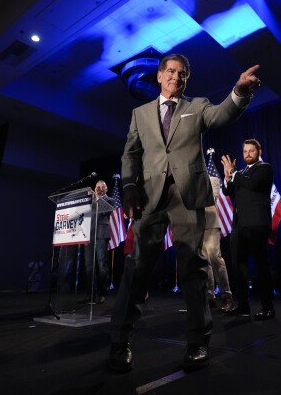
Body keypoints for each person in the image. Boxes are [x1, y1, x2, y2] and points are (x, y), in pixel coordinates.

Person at [108, 53, 261, 372]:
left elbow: (222, 115)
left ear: (186, 80)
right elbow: (130, 154)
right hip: (149, 198)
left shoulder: (198, 106)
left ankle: (197, 343)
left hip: (189, 197)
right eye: (172, 72)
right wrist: (129, 186)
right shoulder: (140, 114)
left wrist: (239, 91)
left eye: (183, 74)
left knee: (194, 267)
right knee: (136, 268)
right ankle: (120, 342)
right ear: (160, 76)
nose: (177, 77)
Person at [220, 139, 275, 320]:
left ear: (259, 151)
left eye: (251, 151)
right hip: (239, 226)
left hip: (257, 225)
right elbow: (228, 191)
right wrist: (228, 177)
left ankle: (268, 308)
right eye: (245, 151)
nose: (247, 154)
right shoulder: (241, 173)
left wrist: (233, 173)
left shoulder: (265, 168)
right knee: (238, 267)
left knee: (261, 267)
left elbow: (252, 184)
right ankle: (243, 306)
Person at [82, 180, 116, 304]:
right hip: (89, 235)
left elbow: (104, 210)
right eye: (97, 187)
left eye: (102, 187)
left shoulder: (110, 200)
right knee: (89, 266)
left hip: (101, 235)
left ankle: (102, 293)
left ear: (106, 189)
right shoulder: (90, 201)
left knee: (102, 265)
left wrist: (96, 197)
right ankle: (90, 294)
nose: (100, 189)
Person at [203, 176, 233, 311]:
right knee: (204, 262)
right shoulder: (188, 180)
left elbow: (211, 198)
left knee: (215, 257)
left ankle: (227, 296)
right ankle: (210, 297)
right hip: (195, 226)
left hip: (210, 224)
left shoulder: (213, 180)